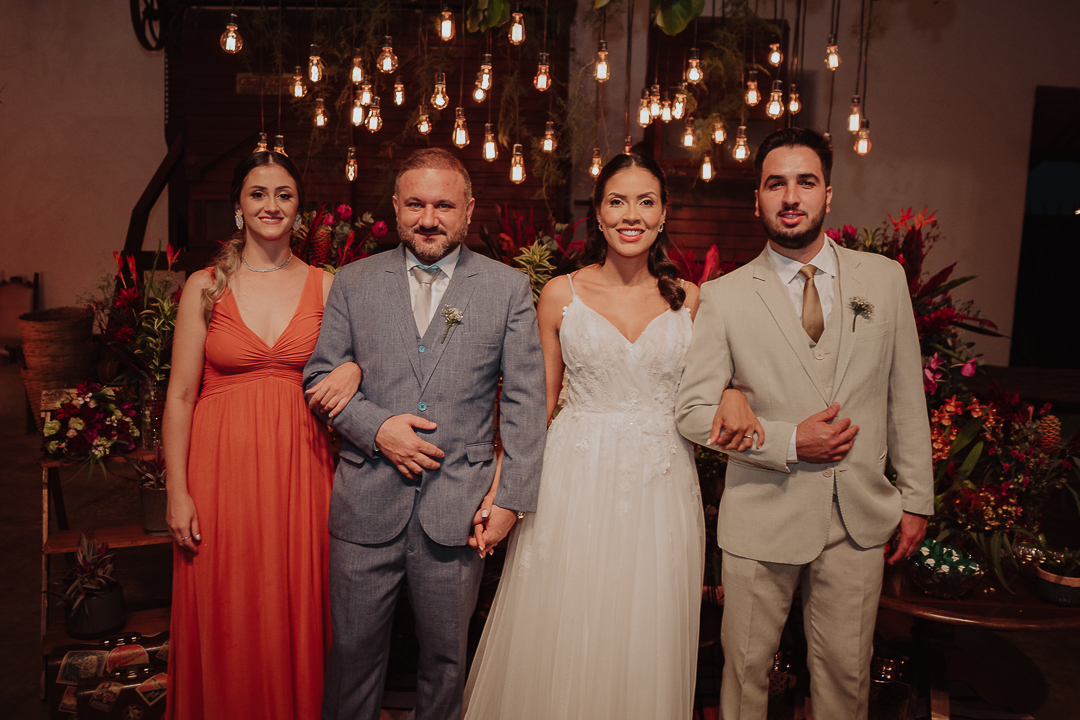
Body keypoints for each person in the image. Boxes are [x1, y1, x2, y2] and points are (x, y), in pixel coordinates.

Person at [462, 152, 761, 720]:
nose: (631, 215)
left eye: (646, 202)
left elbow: (713, 389)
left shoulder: (692, 299)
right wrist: (504, 490)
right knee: (566, 622)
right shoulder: (561, 294)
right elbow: (538, 407)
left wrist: (732, 390)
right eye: (617, 201)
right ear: (597, 215)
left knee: (647, 626)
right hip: (573, 482)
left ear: (664, 213)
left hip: (662, 487)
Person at [675, 127, 933, 720]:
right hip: (762, 513)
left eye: (806, 182)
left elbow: (904, 395)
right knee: (744, 678)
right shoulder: (724, 297)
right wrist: (791, 441)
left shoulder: (884, 280)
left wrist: (917, 498)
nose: (791, 197)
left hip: (858, 517)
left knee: (847, 679)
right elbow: (691, 412)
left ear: (828, 194)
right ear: (757, 200)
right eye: (776, 184)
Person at [304, 148, 547, 720]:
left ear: (469, 209)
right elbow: (319, 378)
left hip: (458, 509)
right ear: (395, 207)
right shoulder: (354, 282)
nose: (429, 219)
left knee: (445, 664)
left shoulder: (507, 289)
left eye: (444, 205)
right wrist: (378, 427)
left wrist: (510, 501)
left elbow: (526, 402)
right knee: (352, 659)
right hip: (366, 504)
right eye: (415, 204)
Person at [163, 151, 360, 720]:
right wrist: (177, 491)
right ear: (238, 206)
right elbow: (180, 396)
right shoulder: (204, 287)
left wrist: (355, 368)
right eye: (258, 193)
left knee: (298, 600)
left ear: (300, 210)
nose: (271, 205)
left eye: (284, 194)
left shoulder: (329, 287)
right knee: (226, 604)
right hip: (220, 475)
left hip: (303, 471)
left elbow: (371, 363)